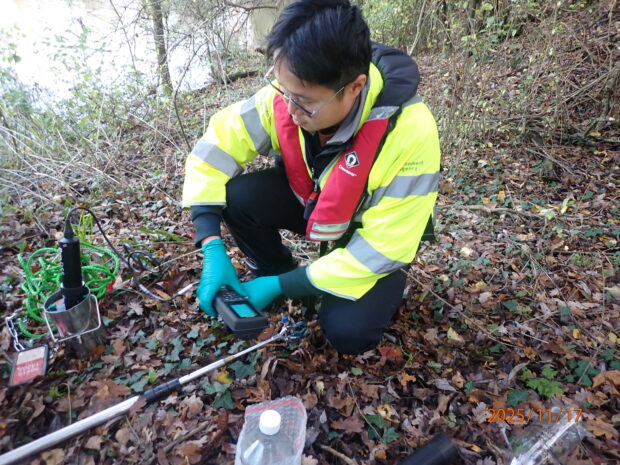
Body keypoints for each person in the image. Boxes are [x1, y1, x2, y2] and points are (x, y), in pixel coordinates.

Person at [182, 0, 440, 355]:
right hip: (313, 204)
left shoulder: (411, 132)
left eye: (303, 101)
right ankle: (274, 267)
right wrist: (210, 242)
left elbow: (386, 246)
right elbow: (213, 151)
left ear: (354, 87)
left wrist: (285, 286)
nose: (289, 110)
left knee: (349, 333)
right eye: (283, 91)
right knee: (238, 196)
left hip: (366, 236)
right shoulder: (287, 97)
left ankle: (359, 285)